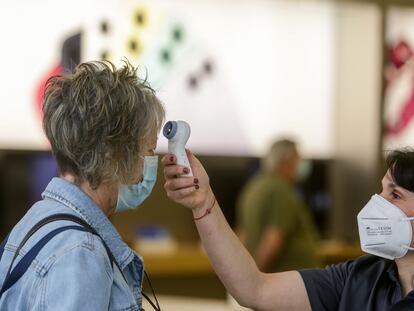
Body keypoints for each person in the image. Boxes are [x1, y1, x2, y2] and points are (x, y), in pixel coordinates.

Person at [0, 61, 165, 310]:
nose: (151, 164)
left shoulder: (35, 221)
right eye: (149, 150)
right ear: (115, 154)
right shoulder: (81, 253)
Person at [162, 148, 414, 310]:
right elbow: (255, 289)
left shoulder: (260, 188)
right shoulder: (361, 278)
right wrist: (203, 203)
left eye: (395, 194)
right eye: (381, 190)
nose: (379, 203)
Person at [236, 139, 320, 272]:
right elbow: (274, 239)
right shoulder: (280, 189)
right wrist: (254, 277)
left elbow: (243, 234)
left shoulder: (254, 186)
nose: (301, 163)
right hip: (290, 281)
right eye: (298, 157)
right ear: (287, 160)